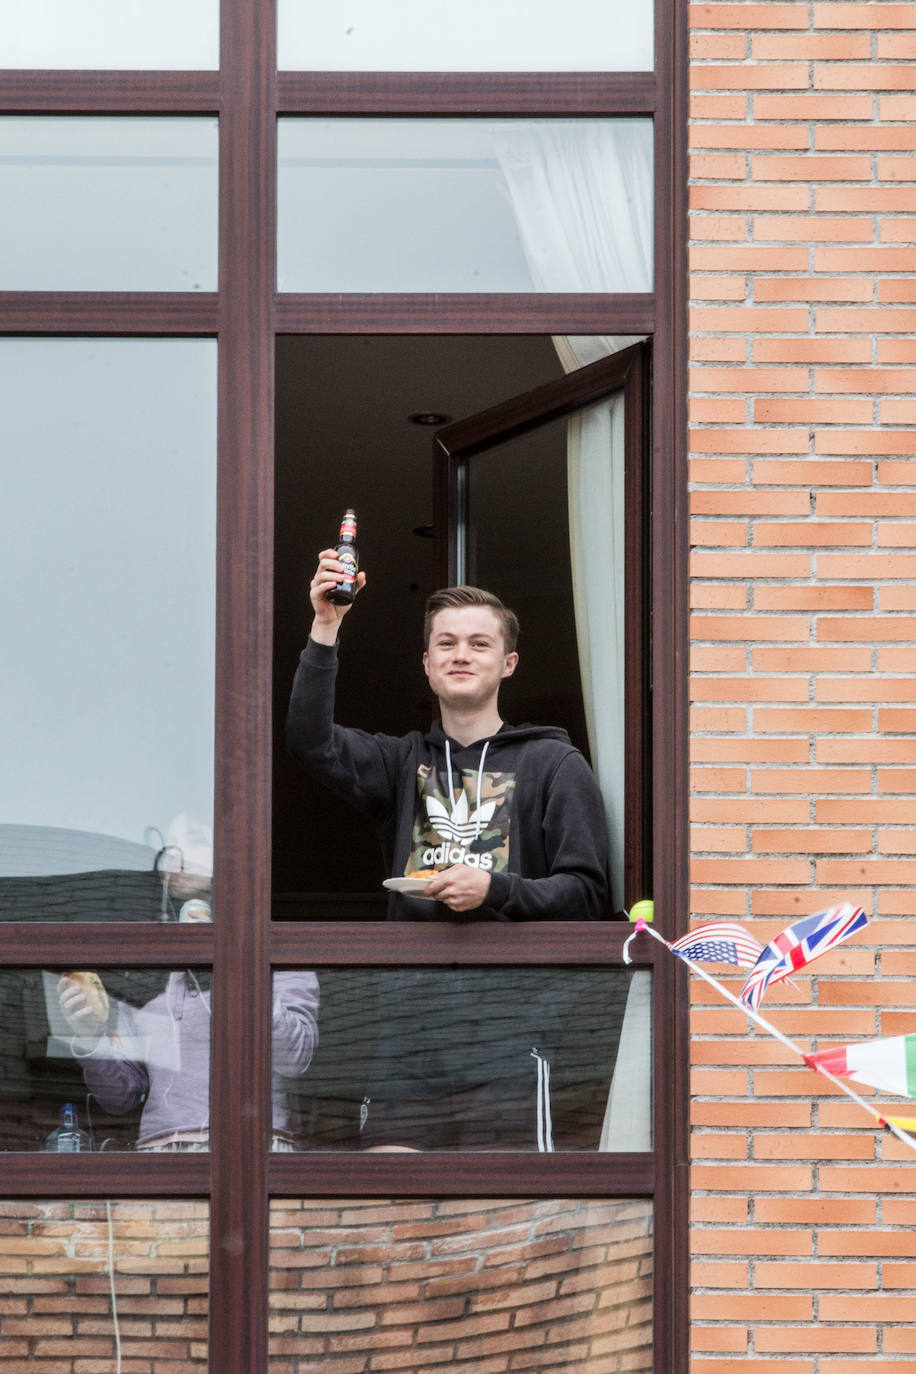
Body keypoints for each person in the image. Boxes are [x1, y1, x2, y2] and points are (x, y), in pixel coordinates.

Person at [284, 549, 611, 1150]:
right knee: (387, 1191)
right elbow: (309, 741)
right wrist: (325, 625)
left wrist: (496, 888)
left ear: (508, 664)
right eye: (447, 644)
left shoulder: (554, 764)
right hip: (409, 1025)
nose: (461, 654)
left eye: (479, 644)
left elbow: (588, 895)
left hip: (512, 1029)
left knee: (501, 1204)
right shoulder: (402, 761)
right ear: (427, 665)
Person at [56, 815, 319, 1151]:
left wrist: (241, 968)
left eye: (192, 841)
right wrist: (89, 1035)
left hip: (254, 1146)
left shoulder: (277, 953)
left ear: (230, 856)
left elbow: (295, 1058)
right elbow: (121, 1097)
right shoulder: (147, 969)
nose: (175, 859)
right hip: (162, 1150)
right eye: (169, 849)